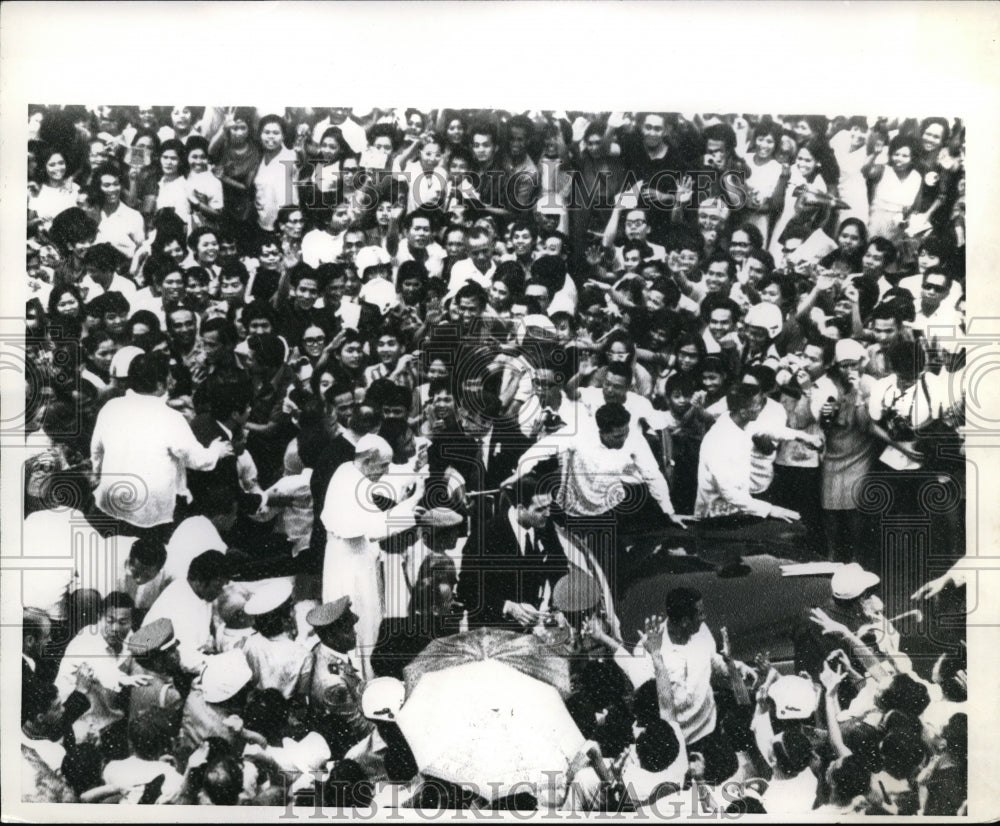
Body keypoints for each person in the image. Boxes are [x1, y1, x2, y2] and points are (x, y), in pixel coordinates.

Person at [90, 352, 234, 538]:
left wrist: (97, 475)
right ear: (159, 384)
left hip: (110, 498)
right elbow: (198, 460)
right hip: (151, 509)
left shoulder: (111, 407)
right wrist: (216, 450)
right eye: (169, 375)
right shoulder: (171, 418)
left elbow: (96, 451)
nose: (172, 380)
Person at [319, 434, 426, 679]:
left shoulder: (354, 472)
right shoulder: (349, 484)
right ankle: (360, 683)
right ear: (367, 460)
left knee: (371, 625)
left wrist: (413, 470)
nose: (386, 471)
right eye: (383, 466)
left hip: (361, 565)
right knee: (360, 628)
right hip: (349, 571)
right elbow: (375, 529)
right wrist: (414, 502)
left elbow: (388, 481)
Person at [643, 587, 755, 784]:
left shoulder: (701, 632)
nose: (705, 617)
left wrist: (737, 667)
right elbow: (651, 707)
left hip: (711, 734)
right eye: (700, 613)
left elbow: (714, 662)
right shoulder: (650, 652)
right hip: (680, 749)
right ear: (685, 621)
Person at [460, 474, 569, 631]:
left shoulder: (544, 525)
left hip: (528, 630)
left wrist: (558, 604)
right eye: (539, 509)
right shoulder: (485, 536)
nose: (547, 513)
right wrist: (508, 607)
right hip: (493, 630)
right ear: (520, 509)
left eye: (548, 506)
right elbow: (467, 588)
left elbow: (559, 565)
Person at [298, 597, 374, 758]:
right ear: (331, 636)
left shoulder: (326, 651)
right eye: (347, 630)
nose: (354, 632)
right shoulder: (332, 684)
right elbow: (359, 727)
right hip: (346, 748)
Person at [141, 549, 231, 674]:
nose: (220, 591)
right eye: (217, 586)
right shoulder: (179, 603)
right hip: (164, 669)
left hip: (194, 658)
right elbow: (185, 659)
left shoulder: (200, 593)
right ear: (199, 581)